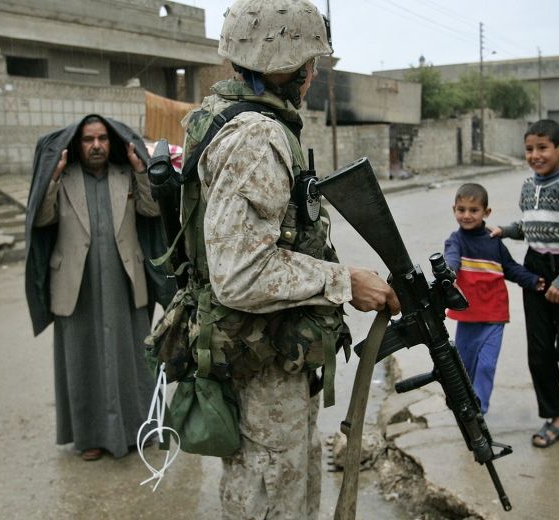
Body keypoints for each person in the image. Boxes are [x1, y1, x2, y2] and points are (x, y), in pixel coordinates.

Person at [164, 1, 400, 518]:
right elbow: (240, 273)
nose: (314, 73)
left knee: (277, 481)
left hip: (266, 352)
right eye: (309, 61)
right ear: (282, 63)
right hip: (261, 363)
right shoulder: (257, 136)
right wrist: (344, 282)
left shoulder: (234, 119)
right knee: (273, 494)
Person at [24, 114, 173, 461]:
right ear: (78, 144)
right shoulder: (64, 178)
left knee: (134, 359)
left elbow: (153, 211)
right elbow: (43, 219)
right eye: (88, 139)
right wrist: (54, 176)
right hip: (77, 288)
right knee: (80, 360)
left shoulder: (127, 176)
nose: (96, 145)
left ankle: (142, 428)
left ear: (111, 143)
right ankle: (88, 436)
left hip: (125, 282)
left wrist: (140, 169)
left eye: (102, 139)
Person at [490, 119, 559, 448]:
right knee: (539, 352)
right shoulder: (528, 187)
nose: (535, 155)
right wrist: (506, 231)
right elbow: (532, 227)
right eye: (529, 149)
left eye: (543, 148)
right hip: (535, 268)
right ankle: (556, 418)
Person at [444, 183, 544, 415]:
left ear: (486, 213)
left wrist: (531, 280)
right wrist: (449, 274)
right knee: (464, 368)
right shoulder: (455, 241)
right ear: (454, 209)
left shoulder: (493, 241)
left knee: (487, 365)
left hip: (493, 316)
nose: (466, 215)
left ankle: (479, 409)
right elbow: (451, 259)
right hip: (468, 317)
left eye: (473, 210)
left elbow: (509, 268)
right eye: (461, 209)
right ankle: (463, 405)